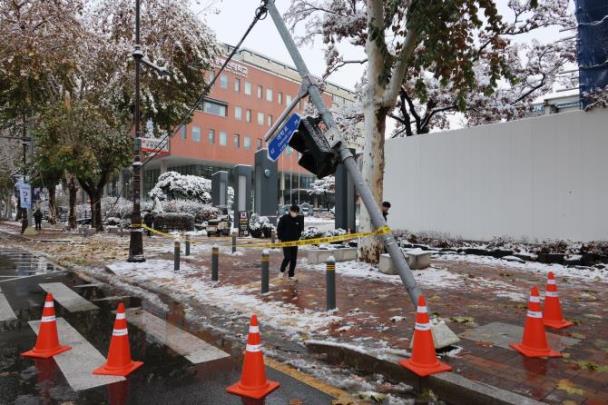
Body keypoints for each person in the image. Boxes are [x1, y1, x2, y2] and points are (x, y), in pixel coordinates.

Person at [277, 204, 304, 279]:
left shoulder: (299, 219)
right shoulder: (284, 218)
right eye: (293, 211)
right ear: (290, 211)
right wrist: (280, 238)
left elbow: (300, 229)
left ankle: (291, 274)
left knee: (294, 259)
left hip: (295, 242)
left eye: (296, 212)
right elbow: (279, 229)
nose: (294, 213)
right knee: (287, 257)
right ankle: (282, 271)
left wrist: (298, 237)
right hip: (285, 241)